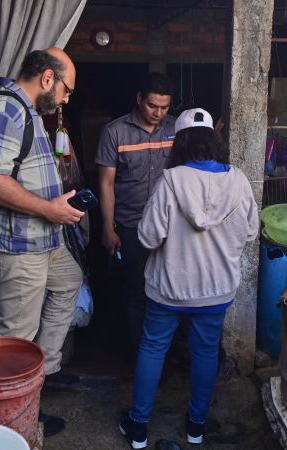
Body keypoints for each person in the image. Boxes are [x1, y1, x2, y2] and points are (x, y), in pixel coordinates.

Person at [118, 109, 259, 449]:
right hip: (215, 290)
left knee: (153, 347)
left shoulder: (170, 180)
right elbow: (251, 231)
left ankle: (138, 427)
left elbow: (149, 238)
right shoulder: (237, 179)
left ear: (178, 143)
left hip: (168, 289)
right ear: (213, 140)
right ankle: (196, 427)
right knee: (206, 351)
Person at [0, 48, 83, 436]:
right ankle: (17, 426)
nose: (67, 99)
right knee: (14, 340)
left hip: (43, 239)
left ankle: (45, 372)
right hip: (17, 245)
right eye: (67, 90)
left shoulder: (27, 110)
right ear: (48, 78)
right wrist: (49, 210)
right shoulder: (6, 110)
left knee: (68, 282)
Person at [95, 73, 176, 349]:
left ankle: (165, 348)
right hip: (132, 225)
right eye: (153, 105)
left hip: (170, 226)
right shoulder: (114, 132)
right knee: (136, 289)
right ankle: (138, 350)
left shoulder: (176, 130)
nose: (159, 113)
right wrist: (108, 227)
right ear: (139, 99)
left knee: (169, 287)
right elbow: (105, 183)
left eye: (165, 107)